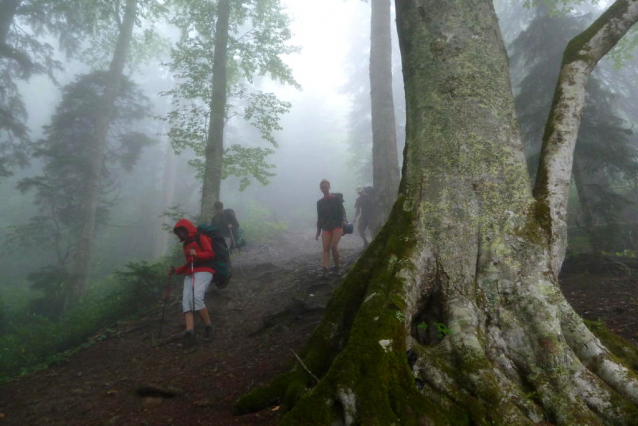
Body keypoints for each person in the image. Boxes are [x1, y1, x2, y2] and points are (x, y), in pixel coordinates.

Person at [167, 218, 215, 346]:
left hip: (204, 271)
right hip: (190, 274)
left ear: (187, 229)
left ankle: (209, 327)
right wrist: (176, 270)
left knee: (196, 298)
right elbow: (189, 263)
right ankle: (190, 333)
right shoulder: (185, 244)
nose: (181, 234)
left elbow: (210, 253)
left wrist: (197, 254)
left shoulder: (200, 237)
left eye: (182, 231)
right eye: (179, 232)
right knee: (186, 302)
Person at [315, 179, 346, 273]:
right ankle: (325, 267)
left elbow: (342, 211)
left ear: (329, 187)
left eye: (325, 187)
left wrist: (343, 221)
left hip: (337, 225)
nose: (324, 189)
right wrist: (318, 231)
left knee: (333, 245)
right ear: (320, 189)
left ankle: (337, 265)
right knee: (325, 248)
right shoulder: (319, 202)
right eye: (322, 187)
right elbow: (320, 217)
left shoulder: (336, 199)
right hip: (326, 227)